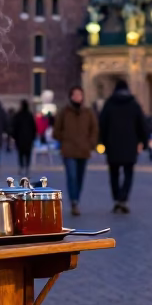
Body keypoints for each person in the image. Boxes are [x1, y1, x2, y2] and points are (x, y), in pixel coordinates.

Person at [98, 80, 147, 214]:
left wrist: (101, 142)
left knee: (113, 174)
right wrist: (143, 141)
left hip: (112, 144)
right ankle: (123, 198)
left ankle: (116, 198)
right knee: (128, 173)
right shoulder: (134, 104)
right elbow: (142, 124)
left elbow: (102, 124)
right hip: (130, 144)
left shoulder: (109, 104)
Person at [53, 86, 99, 216]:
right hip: (69, 150)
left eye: (80, 94)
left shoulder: (88, 112)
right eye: (75, 94)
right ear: (71, 96)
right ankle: (74, 201)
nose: (78, 97)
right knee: (71, 176)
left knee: (79, 177)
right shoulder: (64, 112)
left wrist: (91, 143)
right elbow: (56, 130)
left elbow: (94, 129)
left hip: (83, 150)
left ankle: (76, 198)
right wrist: (65, 139)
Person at [10, 100, 37, 174]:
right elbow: (34, 127)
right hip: (28, 138)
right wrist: (33, 137)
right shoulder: (29, 115)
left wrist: (14, 136)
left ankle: (21, 167)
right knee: (28, 154)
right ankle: (27, 167)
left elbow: (14, 127)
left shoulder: (18, 115)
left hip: (20, 138)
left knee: (20, 154)